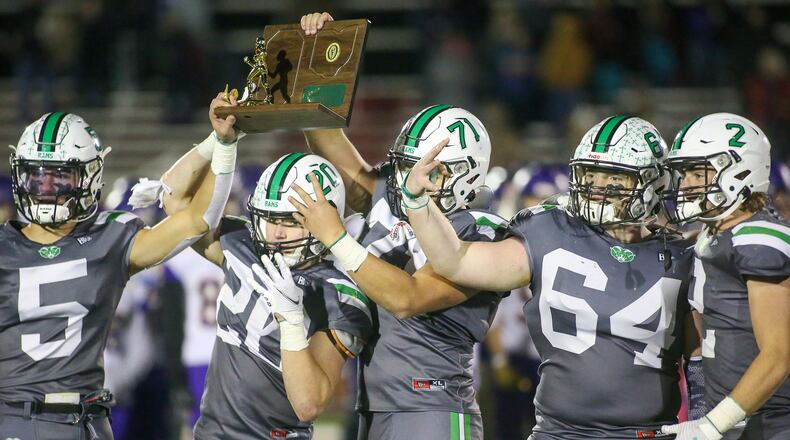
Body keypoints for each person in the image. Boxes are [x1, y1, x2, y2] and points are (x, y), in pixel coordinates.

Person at [401, 115, 700, 439]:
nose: (598, 187)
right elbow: (456, 262)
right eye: (591, 174)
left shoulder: (681, 256)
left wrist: (704, 422)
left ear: (652, 183)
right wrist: (416, 202)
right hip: (558, 432)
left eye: (614, 178)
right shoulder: (551, 229)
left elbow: (699, 361)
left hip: (647, 433)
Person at [0, 95, 239, 439]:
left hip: (89, 421)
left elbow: (198, 219)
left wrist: (221, 142)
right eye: (37, 177)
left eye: (60, 177)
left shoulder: (109, 237)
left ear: (90, 176)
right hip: (16, 419)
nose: (47, 189)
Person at [150, 148, 373, 439]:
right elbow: (174, 199)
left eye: (291, 221)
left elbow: (309, 404)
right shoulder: (244, 246)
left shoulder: (339, 294)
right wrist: (221, 143)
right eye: (271, 219)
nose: (277, 233)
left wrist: (292, 322)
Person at [659, 113, 790, 440]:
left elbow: (779, 355)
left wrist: (713, 424)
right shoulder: (715, 234)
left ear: (740, 170)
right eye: (684, 173)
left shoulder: (758, 238)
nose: (686, 184)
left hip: (773, 421)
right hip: (739, 419)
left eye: (697, 172)